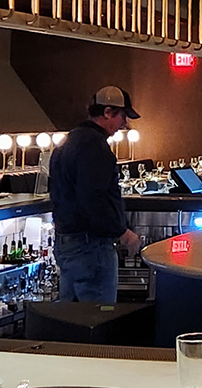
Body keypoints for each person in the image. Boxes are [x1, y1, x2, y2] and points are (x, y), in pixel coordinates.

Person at [48, 86, 143, 302]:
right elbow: (93, 199)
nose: (124, 124)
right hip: (91, 247)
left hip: (66, 243)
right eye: (122, 116)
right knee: (99, 317)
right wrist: (122, 232)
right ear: (108, 112)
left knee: (72, 319)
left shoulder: (68, 141)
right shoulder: (95, 147)